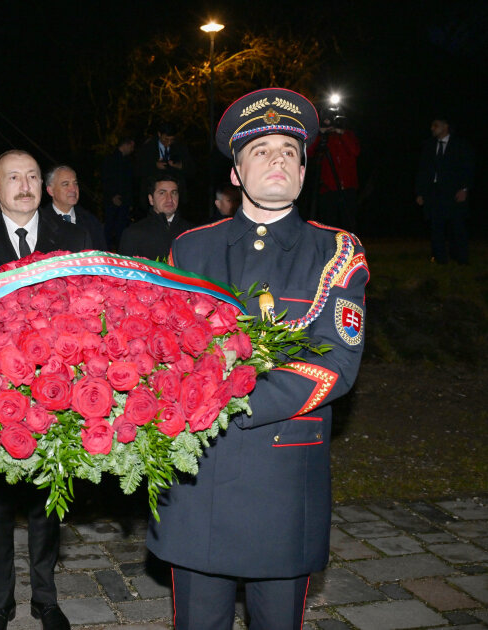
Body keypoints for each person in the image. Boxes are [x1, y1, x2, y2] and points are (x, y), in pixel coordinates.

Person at [147, 88, 369, 629]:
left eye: (289, 152)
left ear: (301, 172)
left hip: (283, 480)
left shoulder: (335, 252)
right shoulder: (191, 250)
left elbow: (337, 365)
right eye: (262, 150)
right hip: (200, 475)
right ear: (236, 175)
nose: (278, 160)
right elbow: (159, 349)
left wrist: (226, 400)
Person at [0, 150, 90, 630]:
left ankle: (46, 600)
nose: (25, 185)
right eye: (13, 178)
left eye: (32, 176)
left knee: (48, 503)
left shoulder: (72, 238)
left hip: (55, 388)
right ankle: (0, 603)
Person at [414, 117, 473, 264]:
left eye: (436, 125)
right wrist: (420, 192)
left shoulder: (459, 145)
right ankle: (440, 258)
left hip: (453, 191)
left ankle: (461, 258)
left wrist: (464, 189)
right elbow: (422, 170)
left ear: (445, 126)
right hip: (433, 191)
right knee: (436, 226)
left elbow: (468, 168)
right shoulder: (429, 145)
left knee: (456, 225)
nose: (432, 128)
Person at [308, 111, 360, 231]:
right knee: (329, 224)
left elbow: (355, 151)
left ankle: (351, 248)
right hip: (328, 188)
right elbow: (308, 153)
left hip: (348, 188)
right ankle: (330, 249)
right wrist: (320, 133)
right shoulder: (322, 138)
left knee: (349, 223)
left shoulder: (348, 135)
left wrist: (342, 133)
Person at [118, 175, 191, 260]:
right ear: (151, 199)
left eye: (173, 193)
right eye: (162, 193)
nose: (169, 199)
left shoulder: (190, 233)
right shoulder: (134, 234)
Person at [135, 122, 193, 217]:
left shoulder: (180, 147)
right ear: (159, 134)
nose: (168, 143)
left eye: (171, 140)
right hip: (153, 195)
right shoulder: (147, 147)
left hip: (176, 195)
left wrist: (179, 166)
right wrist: (154, 166)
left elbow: (191, 169)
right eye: (166, 139)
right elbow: (138, 170)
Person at [44, 164, 107, 249]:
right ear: (51, 191)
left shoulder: (91, 222)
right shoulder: (41, 222)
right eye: (66, 184)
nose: (73, 189)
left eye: (75, 183)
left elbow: (102, 255)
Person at [101, 137, 136, 250]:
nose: (132, 149)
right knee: (110, 227)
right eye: (132, 146)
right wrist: (112, 196)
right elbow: (106, 180)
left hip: (123, 201)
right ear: (127, 144)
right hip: (113, 200)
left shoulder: (127, 161)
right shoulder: (111, 159)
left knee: (121, 229)